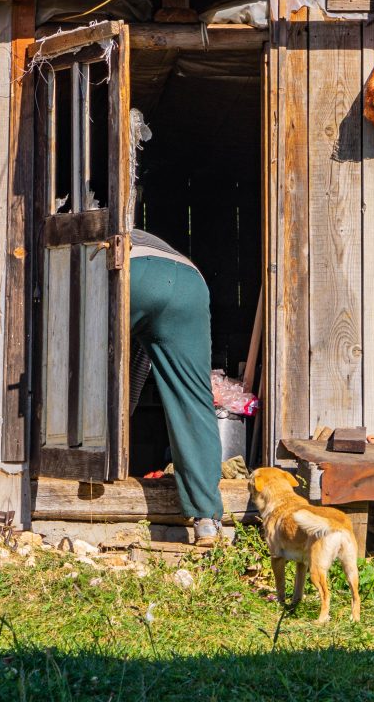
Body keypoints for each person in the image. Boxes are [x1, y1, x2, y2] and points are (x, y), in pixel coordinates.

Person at [129, 228, 224, 542]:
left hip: (134, 269)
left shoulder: (80, 238)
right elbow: (143, 358)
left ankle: (85, 477)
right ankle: (207, 518)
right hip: (189, 282)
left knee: (83, 367)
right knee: (193, 397)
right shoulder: (146, 236)